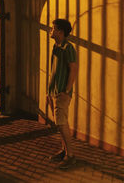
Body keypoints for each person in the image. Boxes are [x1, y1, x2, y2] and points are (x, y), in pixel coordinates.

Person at [47, 18, 78, 169]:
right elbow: (54, 71)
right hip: (54, 92)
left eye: (52, 28)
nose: (50, 31)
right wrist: (49, 91)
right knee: (60, 124)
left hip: (62, 93)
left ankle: (70, 155)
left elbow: (73, 70)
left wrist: (66, 91)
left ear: (60, 31)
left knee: (61, 123)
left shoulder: (68, 48)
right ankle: (64, 151)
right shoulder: (56, 47)